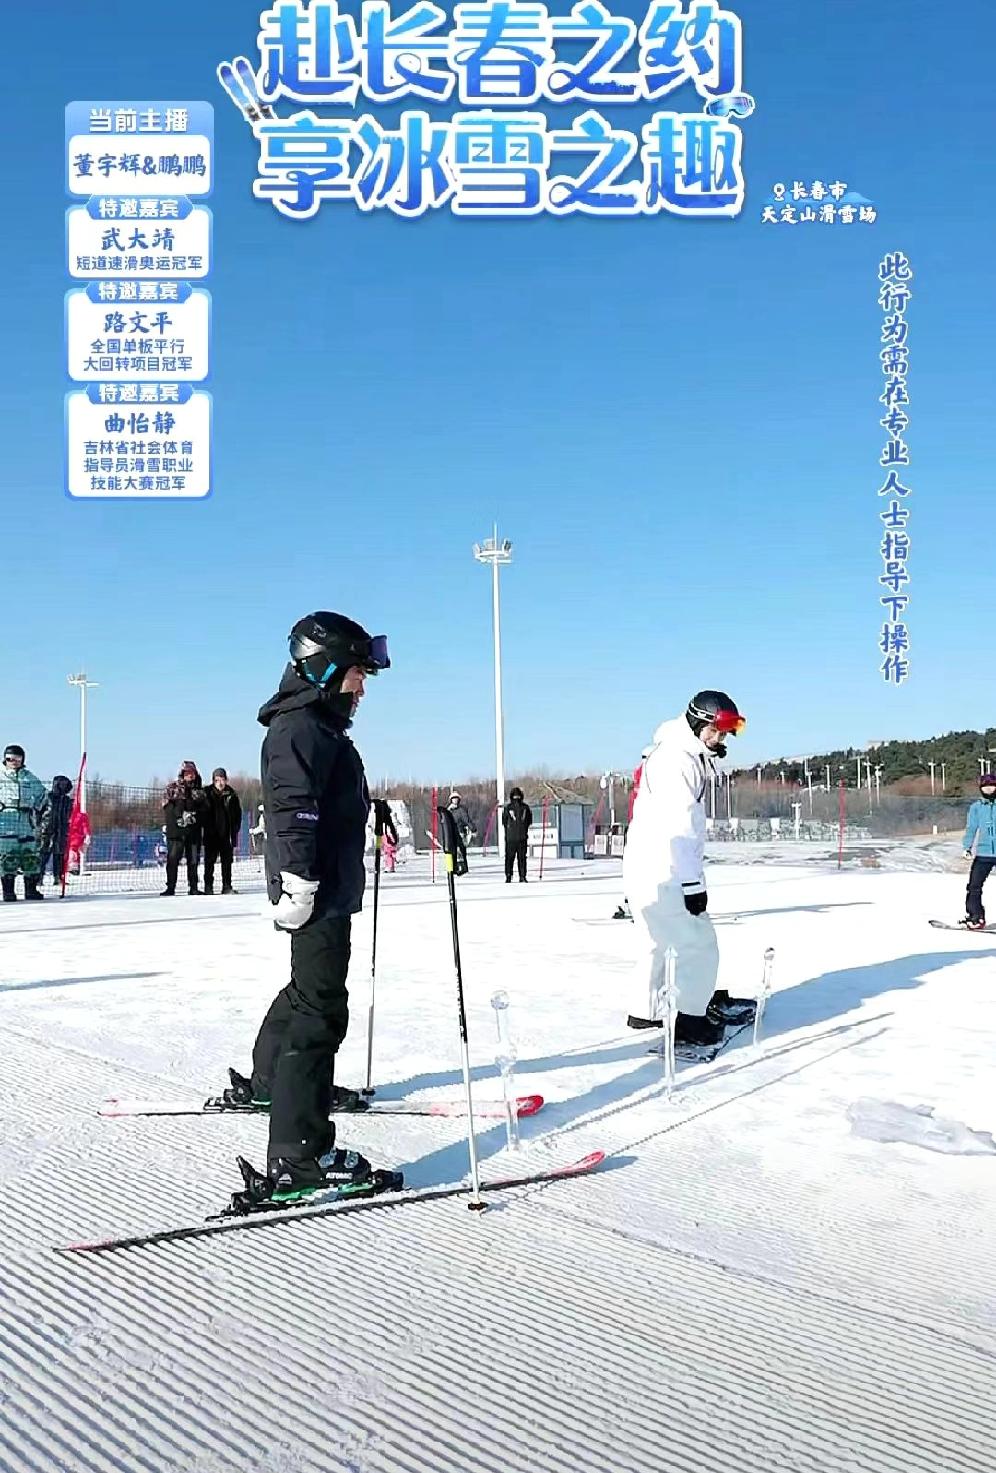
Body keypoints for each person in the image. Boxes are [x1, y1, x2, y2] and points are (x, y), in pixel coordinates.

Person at [221, 609, 391, 1202]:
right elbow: (293, 807)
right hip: (316, 890)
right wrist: (299, 879)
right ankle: (300, 1155)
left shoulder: (319, 727)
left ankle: (272, 1083)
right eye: (355, 674)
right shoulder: (301, 729)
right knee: (320, 1016)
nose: (362, 686)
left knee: (306, 997)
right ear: (322, 668)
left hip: (324, 886)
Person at [623, 691, 754, 1046]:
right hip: (666, 866)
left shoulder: (682, 753)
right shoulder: (677, 761)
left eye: (727, 732)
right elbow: (681, 828)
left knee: (658, 940)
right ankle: (692, 1021)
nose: (722, 738)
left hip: (650, 864)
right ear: (698, 722)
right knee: (698, 942)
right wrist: (692, 884)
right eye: (717, 730)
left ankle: (646, 1009)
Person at [0, 745, 48, 901]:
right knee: (8, 856)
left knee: (30, 855)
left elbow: (43, 796)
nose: (13, 762)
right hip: (6, 820)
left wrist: (43, 812)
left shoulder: (29, 778)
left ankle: (31, 890)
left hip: (26, 821)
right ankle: (8, 891)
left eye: (17, 758)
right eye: (10, 759)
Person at [160, 761, 207, 896]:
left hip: (193, 832)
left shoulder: (199, 791)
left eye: (192, 773)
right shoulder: (172, 788)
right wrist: (179, 817)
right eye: (187, 773)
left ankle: (193, 887)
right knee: (173, 859)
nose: (190, 776)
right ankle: (171, 887)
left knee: (193, 860)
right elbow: (166, 807)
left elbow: (205, 809)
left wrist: (195, 816)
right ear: (182, 774)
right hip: (176, 832)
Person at [962, 773, 996, 930]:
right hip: (983, 853)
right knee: (974, 887)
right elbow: (971, 828)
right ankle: (976, 917)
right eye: (985, 786)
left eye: (992, 785)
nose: (989, 789)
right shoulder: (976, 807)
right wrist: (967, 847)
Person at [203, 767, 243, 895]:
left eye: (222, 780)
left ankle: (227, 886)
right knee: (209, 862)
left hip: (227, 834)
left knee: (227, 862)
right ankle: (208, 886)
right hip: (211, 834)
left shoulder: (231, 794)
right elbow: (201, 812)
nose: (220, 783)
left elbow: (238, 814)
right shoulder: (207, 793)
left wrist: (235, 829)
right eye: (217, 780)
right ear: (213, 780)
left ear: (226, 780)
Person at [38, 775, 74, 887]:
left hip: (61, 830)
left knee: (59, 855)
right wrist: (39, 826)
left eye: (65, 784)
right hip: (46, 830)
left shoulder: (68, 800)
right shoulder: (47, 797)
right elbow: (37, 811)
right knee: (43, 854)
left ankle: (58, 877)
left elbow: (71, 815)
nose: (63, 786)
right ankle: (38, 878)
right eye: (61, 784)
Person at [502, 786, 532, 882]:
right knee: (521, 858)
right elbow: (529, 821)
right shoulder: (524, 807)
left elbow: (504, 822)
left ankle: (509, 875)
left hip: (513, 837)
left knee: (511, 858)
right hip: (519, 837)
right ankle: (521, 876)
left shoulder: (510, 807)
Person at [446, 791, 474, 873]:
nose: (455, 800)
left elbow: (467, 820)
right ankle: (454, 867)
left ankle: (464, 867)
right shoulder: (448, 810)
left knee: (461, 850)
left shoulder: (461, 810)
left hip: (460, 832)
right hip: (451, 834)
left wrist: (473, 828)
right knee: (452, 851)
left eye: (456, 799)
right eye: (453, 799)